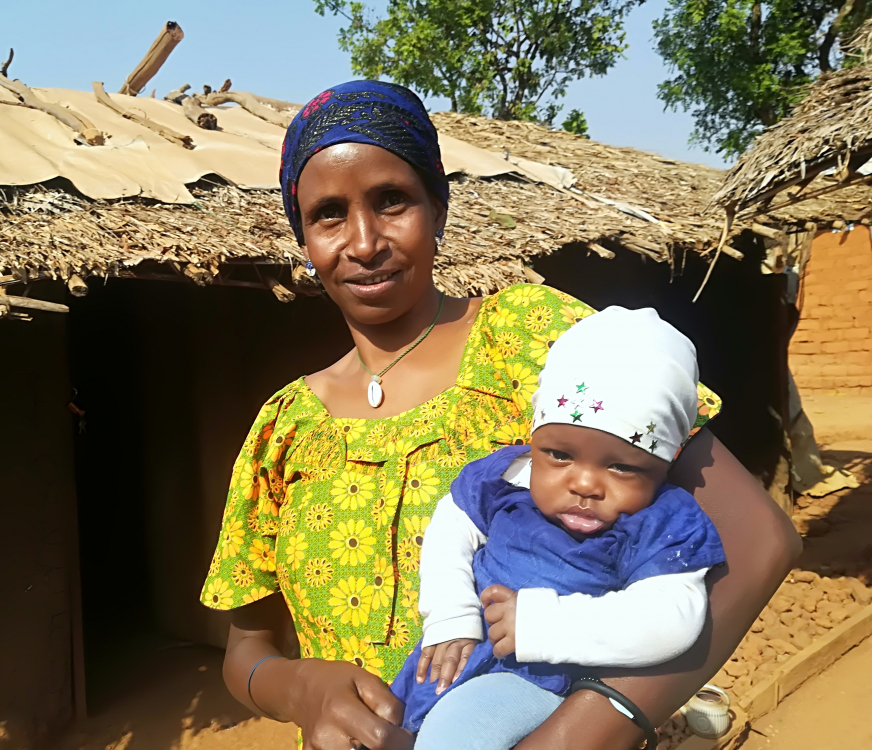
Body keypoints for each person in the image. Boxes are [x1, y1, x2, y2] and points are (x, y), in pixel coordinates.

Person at [200, 80, 800, 750]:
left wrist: (581, 734)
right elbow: (246, 649)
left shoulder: (534, 339)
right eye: (329, 215)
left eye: (391, 200)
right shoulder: (284, 426)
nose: (364, 242)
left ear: (438, 205)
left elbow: (757, 543)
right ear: (304, 237)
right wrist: (298, 687)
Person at [390, 306, 726, 749]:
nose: (585, 483)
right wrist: (452, 616)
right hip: (445, 662)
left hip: (537, 681)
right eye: (560, 455)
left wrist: (541, 625)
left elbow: (674, 619)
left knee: (455, 737)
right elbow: (451, 525)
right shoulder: (508, 476)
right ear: (535, 439)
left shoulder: (660, 521)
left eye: (623, 466)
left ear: (664, 464)